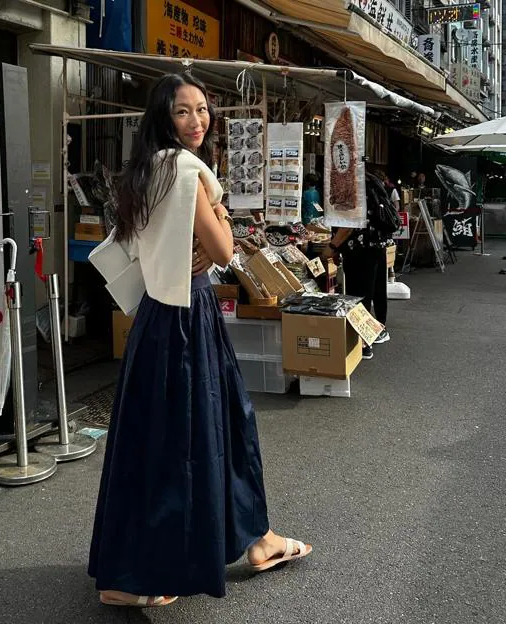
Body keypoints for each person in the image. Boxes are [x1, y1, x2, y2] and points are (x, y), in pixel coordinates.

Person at [88, 73, 311, 608]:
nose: (197, 121)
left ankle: (246, 541)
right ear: (164, 118)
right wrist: (219, 215)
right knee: (208, 432)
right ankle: (162, 568)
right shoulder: (188, 170)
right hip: (188, 318)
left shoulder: (143, 172)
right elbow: (225, 246)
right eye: (183, 111)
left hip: (154, 317)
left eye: (203, 109)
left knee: (158, 438)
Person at [321, 173, 392, 359]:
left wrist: (332, 247)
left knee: (358, 296)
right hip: (378, 244)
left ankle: (363, 344)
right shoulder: (369, 180)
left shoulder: (348, 185)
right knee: (376, 289)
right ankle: (379, 330)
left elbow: (347, 225)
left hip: (359, 248)